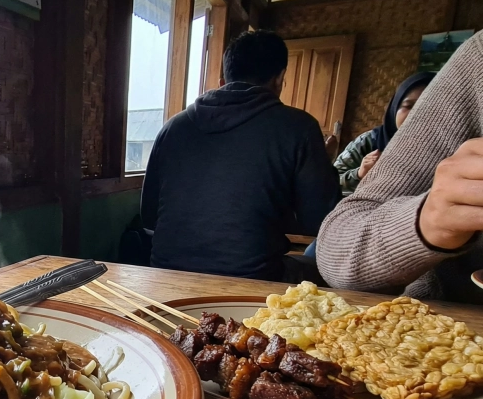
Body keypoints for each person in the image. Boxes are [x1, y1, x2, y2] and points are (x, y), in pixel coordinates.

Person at [140, 30, 340, 281]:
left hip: (165, 272)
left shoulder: (173, 126)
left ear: (223, 80)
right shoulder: (299, 127)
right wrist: (327, 164)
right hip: (255, 277)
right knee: (318, 257)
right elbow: (321, 222)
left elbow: (149, 216)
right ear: (279, 79)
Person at [316, 31, 483, 303]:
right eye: (408, 106)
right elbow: (335, 185)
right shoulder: (369, 141)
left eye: (422, 106)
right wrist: (429, 219)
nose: (414, 114)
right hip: (359, 241)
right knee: (313, 254)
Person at [334, 72, 435, 195]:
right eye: (409, 106)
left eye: (427, 107)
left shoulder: (450, 148)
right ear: (395, 108)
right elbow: (328, 185)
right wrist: (359, 174)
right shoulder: (369, 141)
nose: (417, 113)